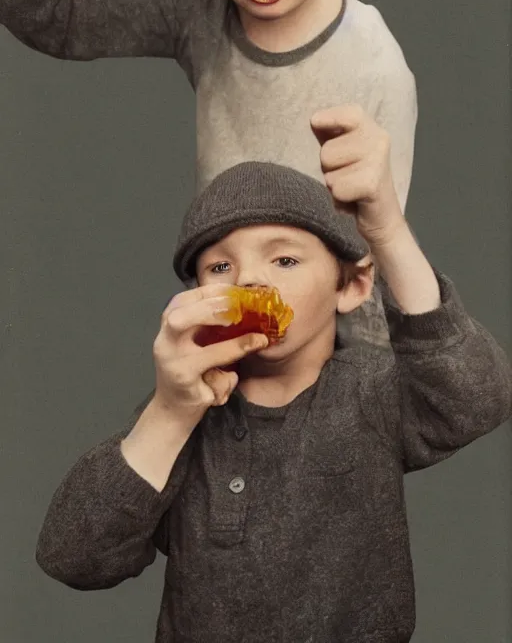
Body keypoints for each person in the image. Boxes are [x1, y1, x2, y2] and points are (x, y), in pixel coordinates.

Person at [35, 106, 512, 643]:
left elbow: (478, 396)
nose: (251, 280)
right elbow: (73, 557)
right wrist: (169, 413)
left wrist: (386, 230)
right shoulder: (184, 414)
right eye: (220, 267)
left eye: (284, 260)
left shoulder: (373, 391)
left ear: (351, 287)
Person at [0, 0, 416, 345]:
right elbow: (53, 16)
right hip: (224, 320)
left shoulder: (372, 60)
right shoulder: (202, 12)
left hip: (328, 346)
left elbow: (370, 253)